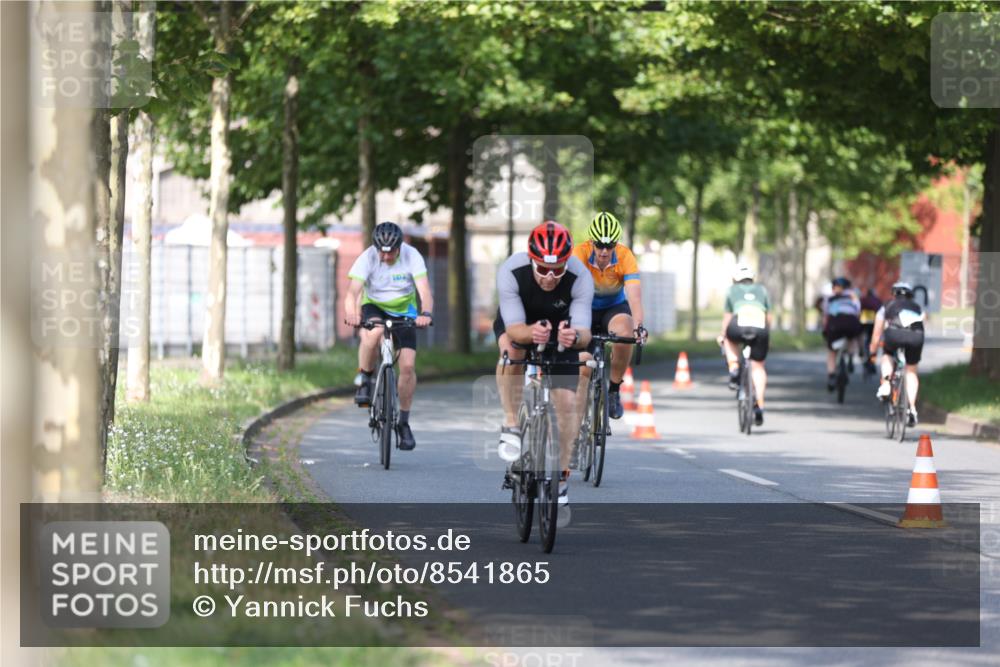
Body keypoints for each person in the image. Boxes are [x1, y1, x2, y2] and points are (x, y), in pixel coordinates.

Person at [494, 221, 594, 506]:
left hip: (561, 328)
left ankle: (560, 477)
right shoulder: (512, 271)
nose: (550, 277)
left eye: (557, 270)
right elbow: (513, 328)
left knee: (566, 404)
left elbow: (584, 333)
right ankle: (512, 423)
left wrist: (573, 336)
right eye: (543, 269)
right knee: (512, 352)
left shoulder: (580, 276)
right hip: (520, 323)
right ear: (531, 260)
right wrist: (531, 334)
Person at [343, 222, 433, 451]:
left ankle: (403, 423)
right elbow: (352, 293)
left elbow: (425, 291)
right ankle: (364, 378)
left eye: (390, 251)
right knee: (374, 333)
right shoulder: (368, 258)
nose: (385, 256)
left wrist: (425, 314)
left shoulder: (412, 256)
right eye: (381, 251)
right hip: (374, 306)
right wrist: (352, 314)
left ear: (399, 247)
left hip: (405, 311)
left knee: (408, 367)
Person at [572, 211, 647, 421]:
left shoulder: (625, 256)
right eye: (599, 245)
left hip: (613, 307)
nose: (604, 251)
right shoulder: (579, 254)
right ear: (591, 242)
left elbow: (634, 297)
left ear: (616, 244)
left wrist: (638, 327)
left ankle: (614, 390)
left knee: (626, 332)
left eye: (610, 245)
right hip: (584, 308)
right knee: (582, 362)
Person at [719, 264, 771, 426]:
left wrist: (722, 334)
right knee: (758, 367)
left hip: (738, 324)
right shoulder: (762, 290)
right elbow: (768, 316)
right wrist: (767, 335)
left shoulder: (731, 291)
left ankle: (734, 367)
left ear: (735, 279)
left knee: (729, 338)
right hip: (760, 326)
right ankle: (760, 405)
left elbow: (727, 317)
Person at [869, 281, 925, 427]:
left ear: (894, 294)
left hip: (894, 334)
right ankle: (912, 409)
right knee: (911, 371)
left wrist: (873, 352)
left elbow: (876, 334)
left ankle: (886, 384)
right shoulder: (917, 308)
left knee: (887, 355)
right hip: (916, 337)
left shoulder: (886, 306)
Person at [822, 277, 863, 391]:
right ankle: (850, 357)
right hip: (851, 321)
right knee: (852, 338)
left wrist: (825, 330)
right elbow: (857, 312)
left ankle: (831, 376)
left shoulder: (830, 298)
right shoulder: (853, 296)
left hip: (835, 323)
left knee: (832, 351)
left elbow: (826, 315)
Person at [859, 287, 883, 374]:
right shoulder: (877, 300)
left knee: (862, 338)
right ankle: (872, 361)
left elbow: (858, 309)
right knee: (874, 342)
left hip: (863, 322)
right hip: (873, 323)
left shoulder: (863, 300)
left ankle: (862, 351)